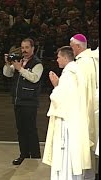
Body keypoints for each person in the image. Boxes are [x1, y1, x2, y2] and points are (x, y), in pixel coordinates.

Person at [42, 46, 92, 179]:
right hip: (74, 118)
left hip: (67, 123)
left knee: (66, 157)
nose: (57, 60)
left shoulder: (69, 74)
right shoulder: (76, 71)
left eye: (58, 57)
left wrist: (55, 86)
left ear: (65, 57)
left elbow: (60, 98)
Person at [3, 38, 43, 165]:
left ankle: (35, 155)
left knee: (30, 129)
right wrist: (7, 64)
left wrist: (20, 69)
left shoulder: (37, 63)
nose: (24, 50)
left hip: (30, 101)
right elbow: (7, 74)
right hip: (18, 100)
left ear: (32, 48)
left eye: (26, 47)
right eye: (22, 47)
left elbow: (34, 78)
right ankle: (24, 154)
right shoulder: (18, 60)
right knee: (21, 129)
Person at [69, 33, 99, 179]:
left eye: (72, 47)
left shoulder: (80, 64)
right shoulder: (93, 59)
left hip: (84, 107)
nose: (71, 50)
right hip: (95, 106)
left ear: (79, 46)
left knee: (85, 143)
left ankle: (86, 176)